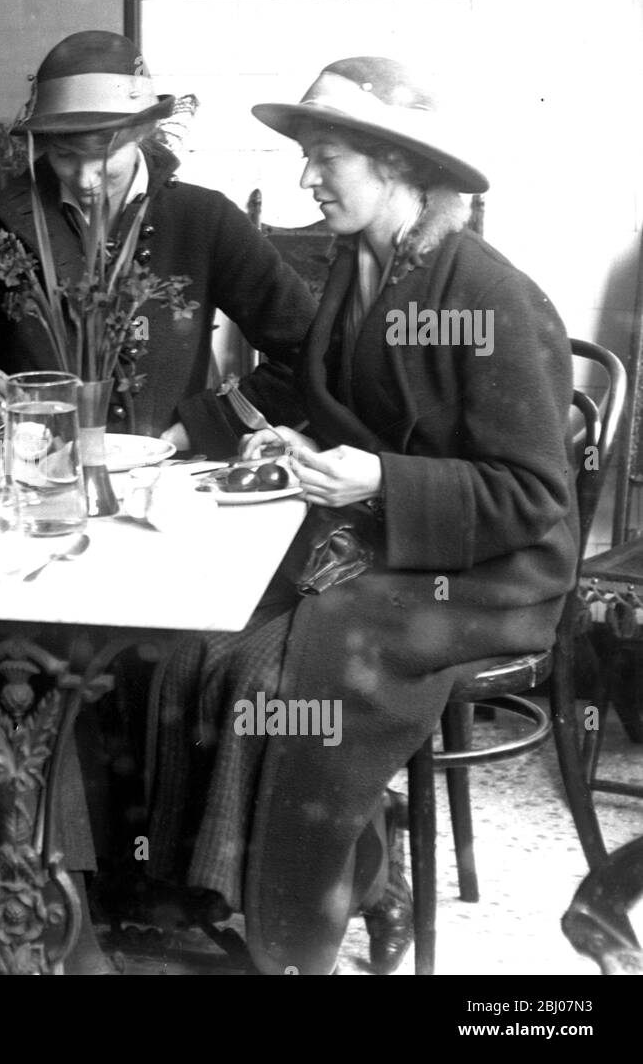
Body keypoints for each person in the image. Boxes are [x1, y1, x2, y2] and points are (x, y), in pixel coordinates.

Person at [148, 56, 577, 975]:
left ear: (396, 165)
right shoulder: (357, 267)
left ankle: (296, 927)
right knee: (191, 646)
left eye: (326, 156)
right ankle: (265, 893)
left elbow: (534, 496)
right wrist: (203, 438)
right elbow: (306, 386)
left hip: (487, 573)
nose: (305, 177)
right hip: (381, 547)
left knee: (278, 684)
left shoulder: (488, 298)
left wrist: (378, 478)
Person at [0, 30, 317, 453]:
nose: (84, 179)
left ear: (144, 131)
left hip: (165, 480)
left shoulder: (204, 218)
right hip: (37, 475)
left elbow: (310, 351)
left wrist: (208, 424)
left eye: (103, 158)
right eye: (64, 155)